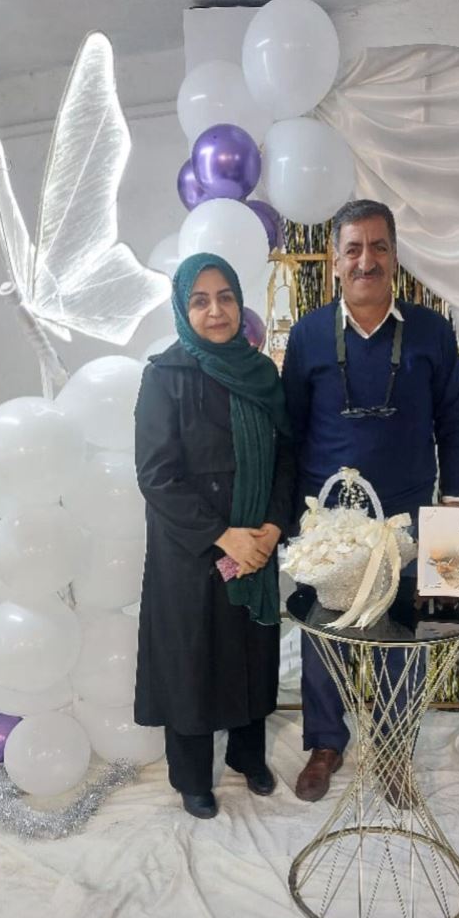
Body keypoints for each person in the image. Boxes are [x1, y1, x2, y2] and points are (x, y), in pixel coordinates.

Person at [282, 199, 459, 802]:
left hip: (415, 519)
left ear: (394, 256)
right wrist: (293, 522)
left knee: (411, 638)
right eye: (354, 249)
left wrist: (453, 507)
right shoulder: (309, 335)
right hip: (330, 525)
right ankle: (325, 744)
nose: (367, 260)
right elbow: (291, 429)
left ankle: (393, 749)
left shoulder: (433, 331)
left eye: (379, 247)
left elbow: (454, 421)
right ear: (336, 261)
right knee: (324, 637)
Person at [134, 252, 294, 819]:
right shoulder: (165, 376)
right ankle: (192, 777)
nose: (216, 310)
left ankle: (247, 755)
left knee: (251, 649)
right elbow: (156, 475)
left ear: (239, 302)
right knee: (192, 658)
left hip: (256, 539)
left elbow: (285, 456)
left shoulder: (261, 373)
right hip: (191, 548)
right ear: (183, 309)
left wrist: (271, 527)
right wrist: (224, 536)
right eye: (200, 300)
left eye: (225, 296)